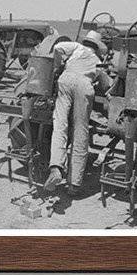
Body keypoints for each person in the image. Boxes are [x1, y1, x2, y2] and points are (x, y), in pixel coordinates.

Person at [44, 30, 112, 195]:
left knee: (60, 125)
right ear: (97, 46)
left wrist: (58, 65)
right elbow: (107, 86)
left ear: (86, 41)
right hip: (84, 85)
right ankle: (74, 183)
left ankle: (56, 167)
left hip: (66, 80)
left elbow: (58, 47)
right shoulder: (98, 61)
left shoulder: (76, 47)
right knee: (81, 131)